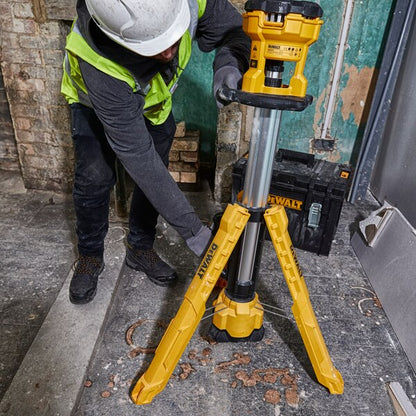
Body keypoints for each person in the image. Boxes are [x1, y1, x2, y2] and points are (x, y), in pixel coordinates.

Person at [61, 0, 250, 304]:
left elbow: (235, 30)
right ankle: (90, 257)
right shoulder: (100, 64)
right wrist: (195, 233)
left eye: (171, 38)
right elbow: (137, 156)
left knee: (156, 175)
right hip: (94, 104)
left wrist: (230, 61)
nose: (168, 53)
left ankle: (140, 248)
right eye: (153, 47)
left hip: (154, 104)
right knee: (94, 178)